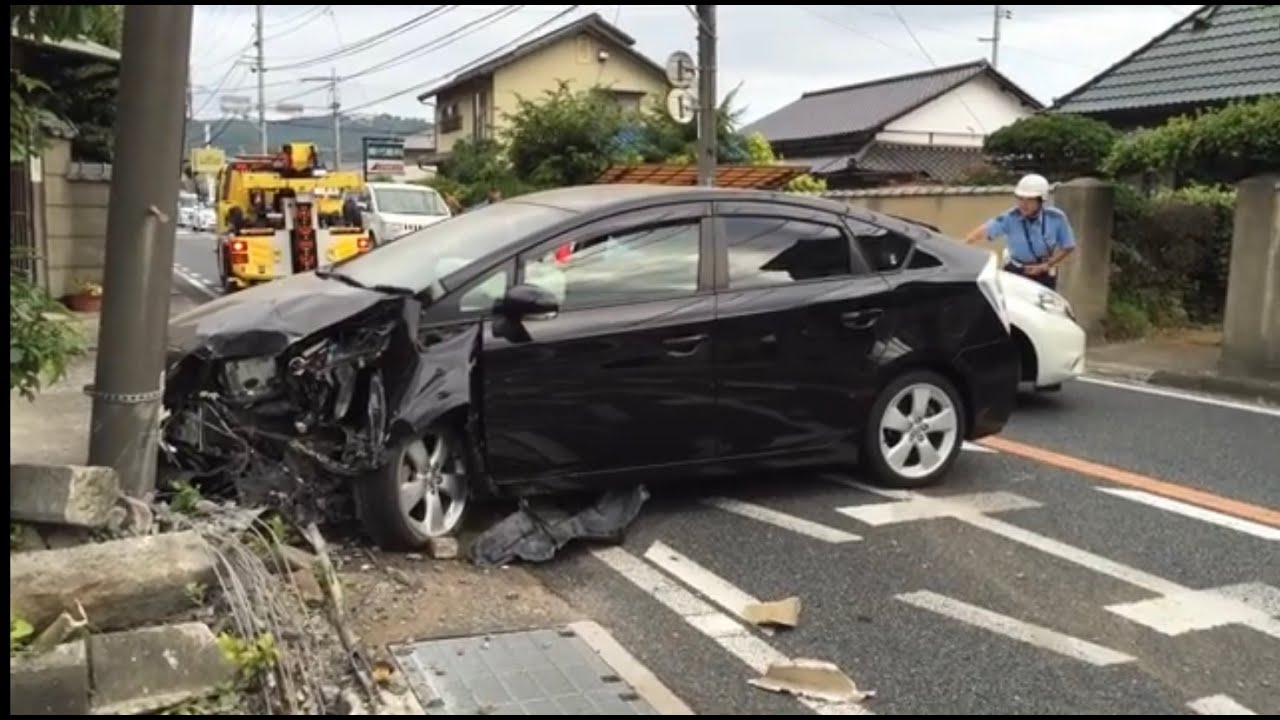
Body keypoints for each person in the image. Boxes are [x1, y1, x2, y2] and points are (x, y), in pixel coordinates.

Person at [964, 173, 1076, 291]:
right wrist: (962, 246)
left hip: (1044, 272)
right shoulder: (1009, 218)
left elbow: (1068, 246)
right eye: (1020, 199)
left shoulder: (1056, 218)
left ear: (1041, 200)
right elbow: (984, 231)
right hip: (1016, 271)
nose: (1023, 204)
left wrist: (1048, 265)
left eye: (1030, 200)